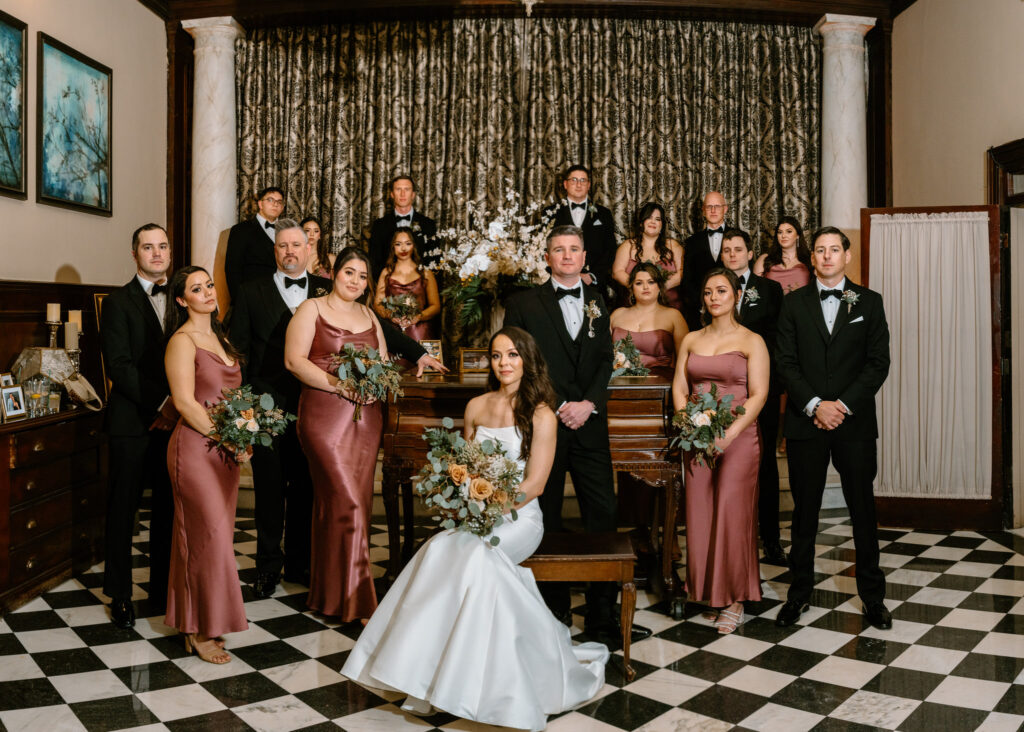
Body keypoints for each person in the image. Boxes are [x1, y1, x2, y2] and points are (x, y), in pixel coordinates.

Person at [342, 327, 609, 731]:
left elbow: (535, 484)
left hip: (521, 518)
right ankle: (426, 676)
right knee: (439, 550)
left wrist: (492, 504)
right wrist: (466, 496)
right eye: (498, 355)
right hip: (477, 515)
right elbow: (463, 468)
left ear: (528, 359)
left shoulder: (541, 413)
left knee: (475, 558)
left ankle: (492, 683)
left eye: (513, 355)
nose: (504, 363)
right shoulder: (476, 406)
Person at [232, 221, 448, 599]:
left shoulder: (326, 288)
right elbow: (238, 350)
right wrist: (245, 405)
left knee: (307, 489)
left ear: (308, 249)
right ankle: (268, 567)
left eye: (296, 245)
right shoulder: (250, 292)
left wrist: (418, 353)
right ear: (275, 250)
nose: (290, 252)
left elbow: (379, 327)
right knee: (269, 488)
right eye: (283, 246)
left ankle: (302, 563)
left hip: (321, 406)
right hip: (269, 404)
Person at [504, 225, 640, 644]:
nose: (567, 256)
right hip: (545, 424)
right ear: (547, 257)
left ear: (584, 258)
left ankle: (602, 616)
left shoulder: (599, 302)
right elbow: (520, 362)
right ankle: (552, 610)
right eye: (558, 250)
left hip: (591, 426)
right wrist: (560, 404)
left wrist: (590, 404)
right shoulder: (524, 303)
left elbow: (603, 362)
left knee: (602, 514)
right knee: (544, 517)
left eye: (574, 249)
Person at [774, 227, 892, 631]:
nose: (826, 256)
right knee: (805, 512)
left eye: (833, 250)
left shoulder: (869, 302)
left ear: (846, 256)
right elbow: (784, 361)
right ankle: (798, 594)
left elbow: (878, 363)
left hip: (853, 422)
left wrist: (840, 406)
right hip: (806, 423)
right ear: (813, 259)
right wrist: (813, 406)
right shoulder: (792, 304)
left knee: (863, 509)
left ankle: (873, 598)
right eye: (820, 250)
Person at [284, 247, 388, 622]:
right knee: (346, 500)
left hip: (366, 419)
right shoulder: (310, 309)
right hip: (324, 417)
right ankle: (357, 599)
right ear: (334, 273)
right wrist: (339, 385)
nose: (356, 281)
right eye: (349, 272)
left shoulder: (370, 315)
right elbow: (293, 361)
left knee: (354, 502)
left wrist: (377, 386)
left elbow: (384, 363)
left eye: (363, 276)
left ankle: (331, 595)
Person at [672, 268, 769, 634]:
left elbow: (759, 394)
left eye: (722, 290)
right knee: (699, 513)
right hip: (696, 438)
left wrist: (728, 434)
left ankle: (735, 598)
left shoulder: (752, 340)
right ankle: (710, 592)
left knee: (731, 513)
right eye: (709, 291)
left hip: (738, 437)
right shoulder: (692, 339)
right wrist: (690, 424)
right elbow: (680, 387)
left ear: (736, 295)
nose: (714, 297)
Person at [164, 266, 247, 664]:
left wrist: (245, 438)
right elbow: (185, 402)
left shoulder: (220, 336)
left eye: (209, 284)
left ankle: (201, 620)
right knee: (205, 539)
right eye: (197, 289)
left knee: (215, 539)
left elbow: (233, 398)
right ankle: (198, 630)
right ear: (182, 300)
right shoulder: (182, 341)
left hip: (225, 453)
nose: (208, 292)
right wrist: (229, 437)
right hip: (195, 450)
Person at [100, 223, 175, 629]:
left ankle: (162, 589)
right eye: (148, 247)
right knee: (123, 511)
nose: (157, 253)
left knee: (168, 508)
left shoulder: (182, 300)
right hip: (132, 421)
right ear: (135, 254)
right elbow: (120, 369)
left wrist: (178, 408)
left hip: (174, 423)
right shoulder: (117, 303)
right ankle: (120, 594)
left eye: (162, 246)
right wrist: (162, 403)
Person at [720, 229, 787, 566]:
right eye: (726, 250)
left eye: (738, 249)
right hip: (721, 391)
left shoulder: (770, 290)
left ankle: (771, 539)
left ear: (750, 253)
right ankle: (731, 536)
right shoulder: (714, 288)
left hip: (762, 389)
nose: (732, 254)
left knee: (764, 464)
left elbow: (779, 339)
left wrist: (768, 382)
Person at [543, 165, 618, 303]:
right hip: (557, 286)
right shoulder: (550, 213)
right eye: (574, 180)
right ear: (565, 184)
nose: (578, 184)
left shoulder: (603, 214)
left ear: (588, 185)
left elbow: (610, 250)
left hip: (594, 287)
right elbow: (543, 248)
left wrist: (592, 276)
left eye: (583, 180)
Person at [609, 262, 688, 379]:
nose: (645, 287)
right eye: (639, 283)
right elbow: (601, 355)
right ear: (631, 288)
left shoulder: (674, 316)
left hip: (661, 385)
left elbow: (685, 361)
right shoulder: (617, 314)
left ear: (659, 287)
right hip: (617, 384)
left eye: (651, 282)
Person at [611, 202, 684, 311]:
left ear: (662, 225)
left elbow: (682, 272)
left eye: (658, 219)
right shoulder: (628, 246)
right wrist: (639, 288)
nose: (653, 222)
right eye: (649, 217)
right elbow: (617, 273)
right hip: (633, 306)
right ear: (641, 222)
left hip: (669, 306)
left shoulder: (674, 246)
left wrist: (660, 287)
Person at [373, 228, 441, 342]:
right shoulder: (386, 273)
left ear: (414, 245)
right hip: (393, 332)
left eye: (408, 243)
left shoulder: (425, 273)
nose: (403, 248)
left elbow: (436, 306)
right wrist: (390, 315)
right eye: (398, 244)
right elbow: (377, 304)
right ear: (392, 247)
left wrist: (419, 316)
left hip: (420, 333)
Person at [368, 174, 437, 277]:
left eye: (407, 189)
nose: (403, 194)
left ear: (413, 194)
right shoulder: (379, 225)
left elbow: (434, 261)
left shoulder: (428, 225)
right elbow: (374, 262)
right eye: (398, 189)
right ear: (391, 194)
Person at [225, 186, 286, 301]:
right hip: (252, 296)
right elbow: (232, 269)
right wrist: (239, 300)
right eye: (270, 200)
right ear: (260, 204)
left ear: (282, 207)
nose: (275, 204)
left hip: (282, 297)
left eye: (279, 202)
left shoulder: (288, 230)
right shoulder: (241, 230)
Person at [681, 191, 729, 331]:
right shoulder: (691, 242)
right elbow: (687, 280)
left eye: (717, 206)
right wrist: (703, 304)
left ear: (725, 209)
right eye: (709, 207)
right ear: (703, 210)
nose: (713, 211)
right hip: (699, 312)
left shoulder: (739, 237)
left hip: (731, 310)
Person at [753, 216, 813, 294]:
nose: (783, 236)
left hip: (802, 305)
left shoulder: (810, 258)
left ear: (797, 236)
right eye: (780, 232)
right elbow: (754, 292)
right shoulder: (764, 259)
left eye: (789, 231)